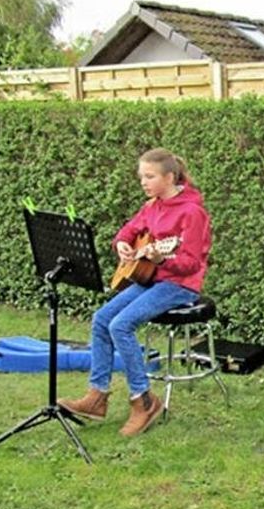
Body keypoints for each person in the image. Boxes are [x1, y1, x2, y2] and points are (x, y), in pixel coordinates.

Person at [59, 148, 212, 436]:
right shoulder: (152, 205)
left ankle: (143, 400)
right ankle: (97, 396)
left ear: (169, 177)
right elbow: (129, 229)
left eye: (149, 176)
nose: (143, 181)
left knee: (121, 325)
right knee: (102, 319)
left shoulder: (193, 213)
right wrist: (122, 244)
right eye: (141, 176)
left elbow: (192, 263)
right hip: (150, 278)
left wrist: (163, 258)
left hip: (179, 285)